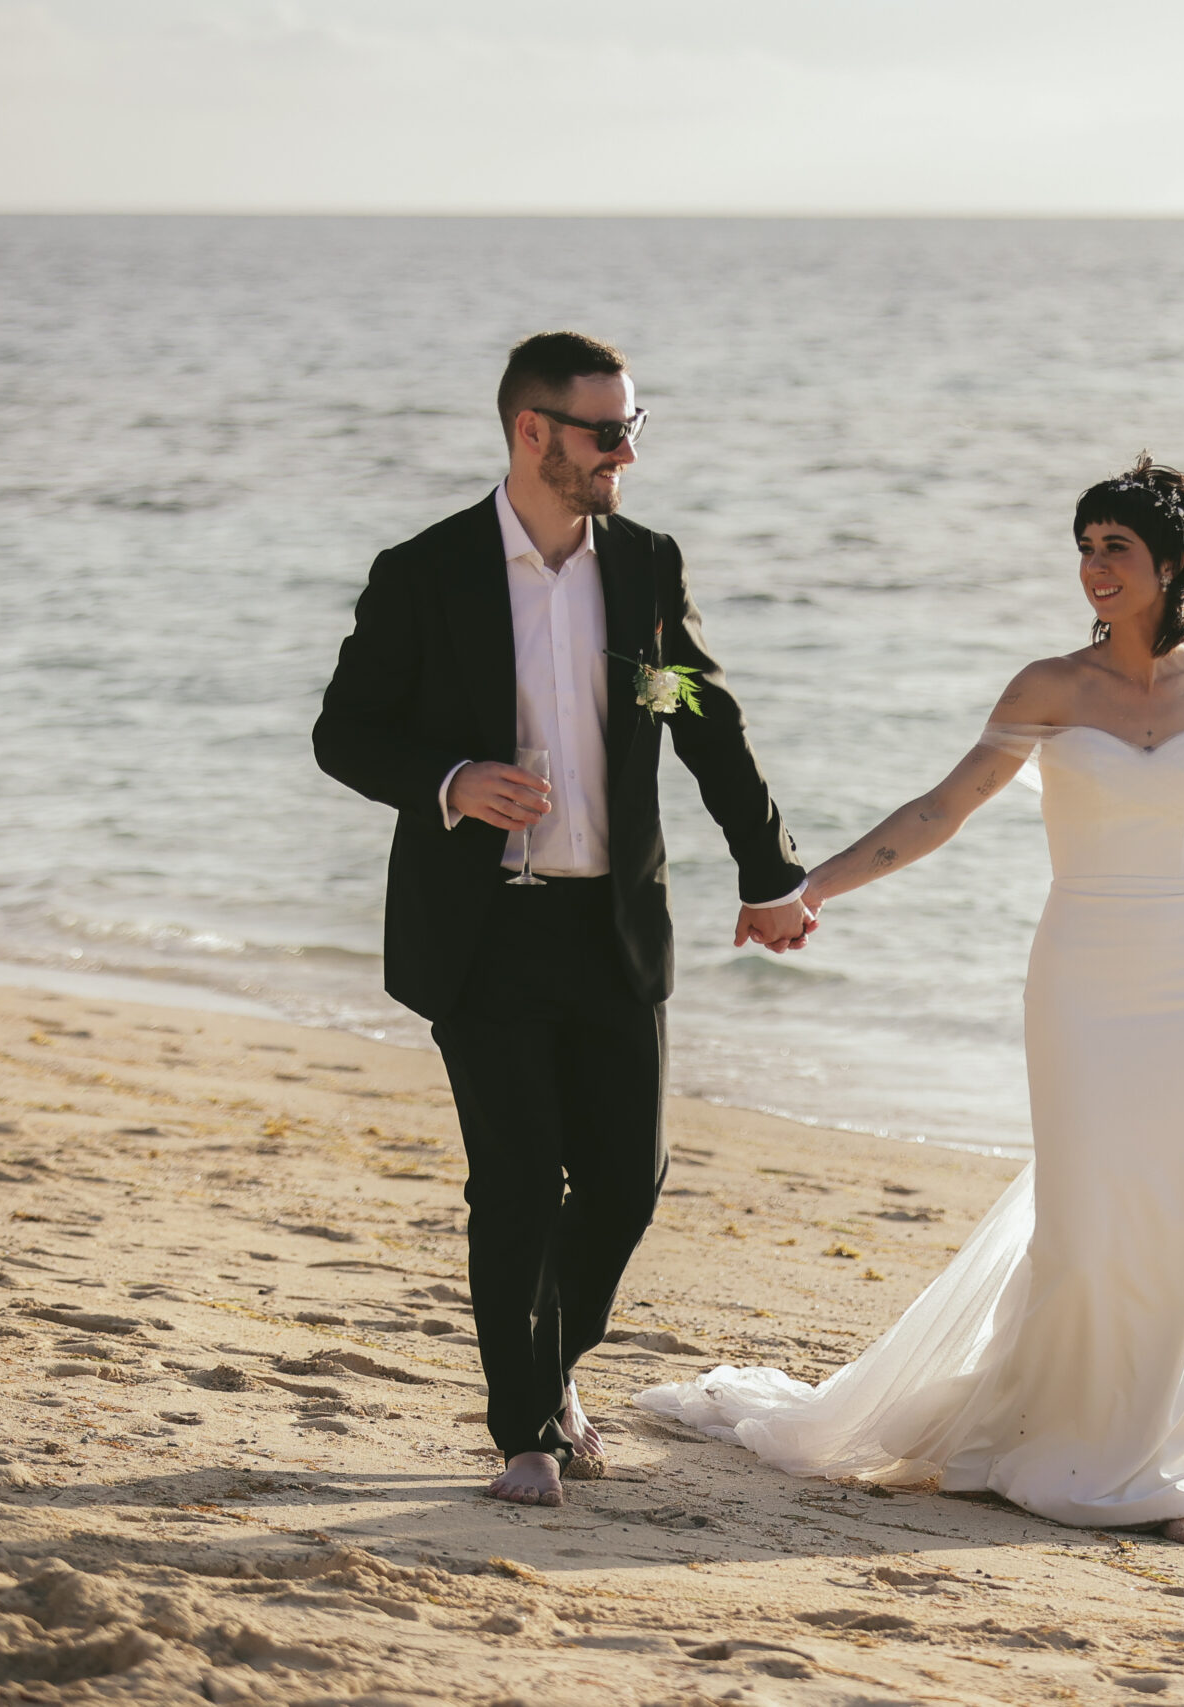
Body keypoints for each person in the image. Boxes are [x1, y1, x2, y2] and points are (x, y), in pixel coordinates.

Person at [640, 455, 1184, 1546]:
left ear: (1173, 563)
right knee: (1086, 1219)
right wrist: (805, 887)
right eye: (1083, 547)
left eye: (1115, 548)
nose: (1093, 569)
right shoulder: (1047, 686)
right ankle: (1065, 1448)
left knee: (1177, 1216)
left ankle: (1157, 1462)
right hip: (1080, 973)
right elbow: (940, 811)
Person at [313, 331, 817, 1509]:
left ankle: (553, 1369)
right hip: (481, 932)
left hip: (611, 929)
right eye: (606, 431)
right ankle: (526, 1432)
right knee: (517, 1184)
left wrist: (767, 871)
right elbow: (346, 732)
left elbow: (702, 717)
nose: (625, 452)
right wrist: (449, 781)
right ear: (532, 432)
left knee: (627, 1182)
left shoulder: (641, 569)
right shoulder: (425, 572)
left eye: (634, 425)